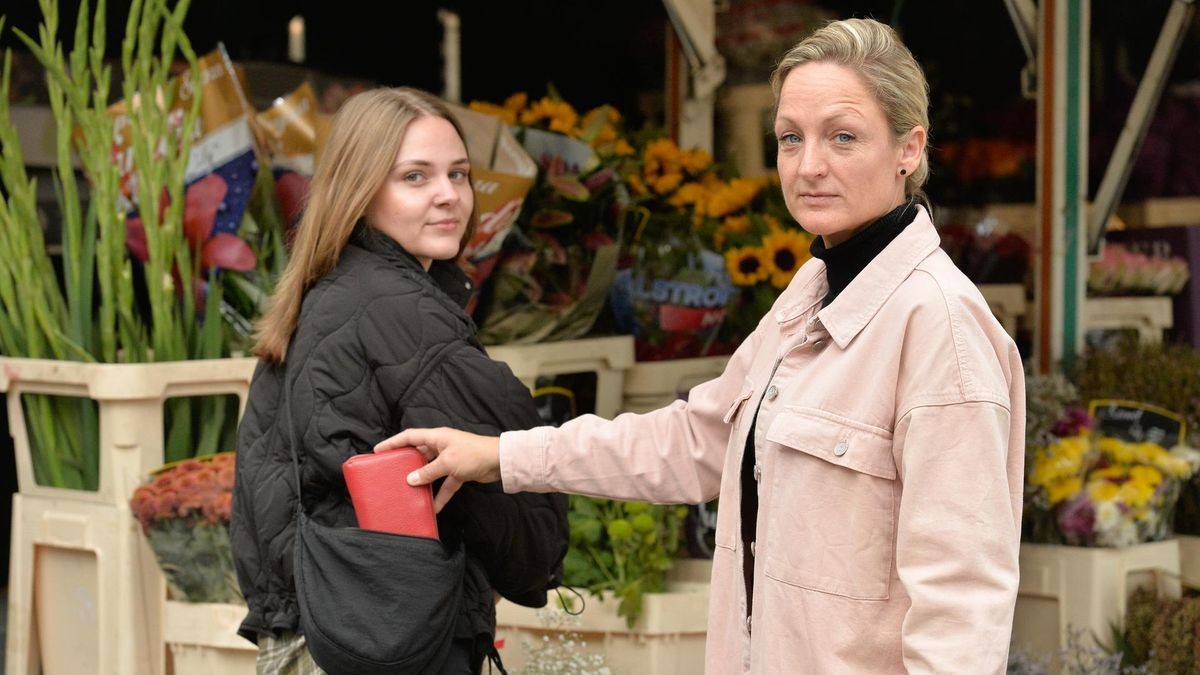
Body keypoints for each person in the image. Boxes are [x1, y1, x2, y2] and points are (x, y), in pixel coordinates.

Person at [376, 18, 1025, 674]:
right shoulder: (811, 292)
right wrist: (501, 455)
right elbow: (693, 439)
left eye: (843, 137)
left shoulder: (939, 326)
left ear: (908, 148)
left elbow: (962, 606)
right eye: (790, 139)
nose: (809, 166)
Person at [231, 87, 569, 674]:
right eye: (415, 177)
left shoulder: (326, 289)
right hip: (388, 636)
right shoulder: (400, 311)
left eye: (459, 174)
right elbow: (513, 482)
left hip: (314, 626)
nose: (449, 196)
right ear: (361, 191)